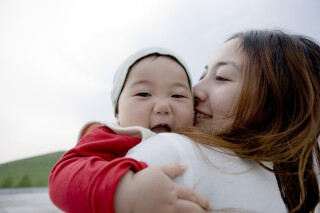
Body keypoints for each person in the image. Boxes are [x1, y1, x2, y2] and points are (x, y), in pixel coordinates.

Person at [117, 30, 320, 212]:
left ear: (275, 98)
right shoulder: (281, 189)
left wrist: (121, 195)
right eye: (202, 75)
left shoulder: (176, 151)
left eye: (221, 78)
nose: (195, 90)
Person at [49, 47, 212, 213]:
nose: (163, 107)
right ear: (118, 112)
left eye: (177, 95)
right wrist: (125, 192)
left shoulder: (202, 142)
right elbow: (61, 178)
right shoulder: (110, 137)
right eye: (143, 94)